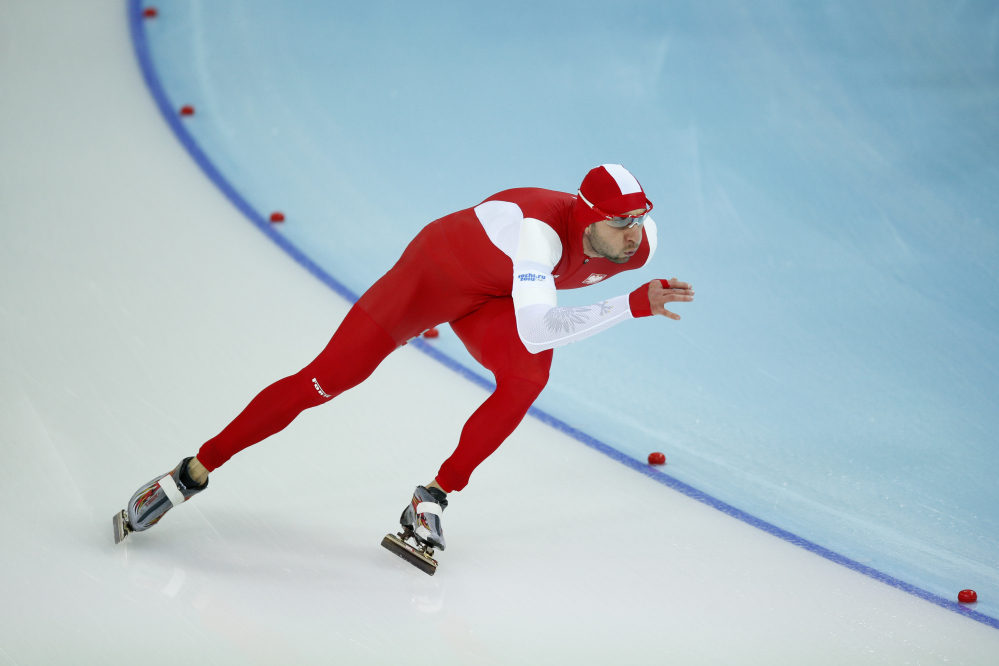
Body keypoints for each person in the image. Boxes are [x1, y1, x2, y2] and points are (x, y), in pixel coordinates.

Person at [112, 164, 695, 552]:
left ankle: (430, 500)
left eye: (640, 220)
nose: (634, 235)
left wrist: (633, 285)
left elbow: (534, 338)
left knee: (526, 378)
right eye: (622, 223)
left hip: (494, 296)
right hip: (433, 276)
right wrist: (632, 307)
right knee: (324, 380)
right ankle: (187, 475)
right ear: (590, 216)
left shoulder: (638, 244)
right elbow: (542, 327)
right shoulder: (538, 234)